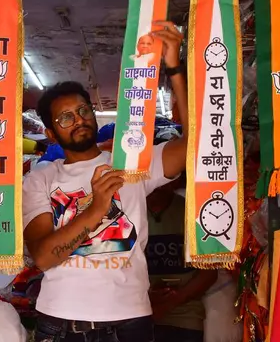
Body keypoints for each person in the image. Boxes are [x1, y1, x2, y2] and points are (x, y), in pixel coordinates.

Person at [23, 20, 188, 342]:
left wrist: (174, 67)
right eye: (65, 117)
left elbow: (200, 140)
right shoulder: (42, 178)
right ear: (51, 133)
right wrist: (98, 206)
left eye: (83, 110)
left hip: (130, 320)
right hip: (62, 321)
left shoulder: (130, 163)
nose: (79, 120)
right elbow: (44, 257)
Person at [146, 188, 217, 342]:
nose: (155, 186)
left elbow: (210, 273)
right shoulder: (130, 214)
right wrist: (146, 297)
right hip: (139, 317)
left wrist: (169, 303)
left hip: (184, 318)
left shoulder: (194, 214)